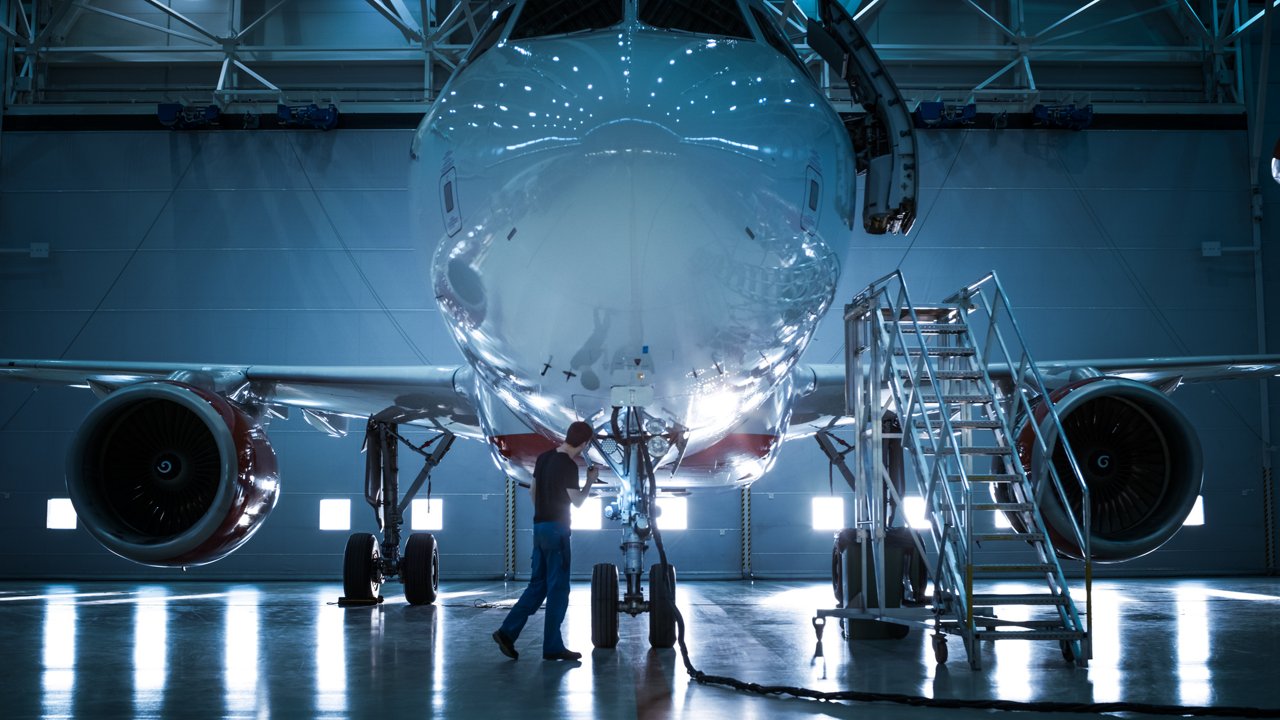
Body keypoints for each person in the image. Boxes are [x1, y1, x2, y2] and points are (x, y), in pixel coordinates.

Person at [493, 420, 597, 661]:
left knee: (537, 585)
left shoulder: (544, 458)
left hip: (539, 527)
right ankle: (552, 646)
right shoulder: (569, 466)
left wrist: (543, 514)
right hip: (557, 531)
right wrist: (590, 479)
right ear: (584, 443)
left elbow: (532, 491)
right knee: (558, 589)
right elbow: (578, 501)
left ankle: (507, 632)